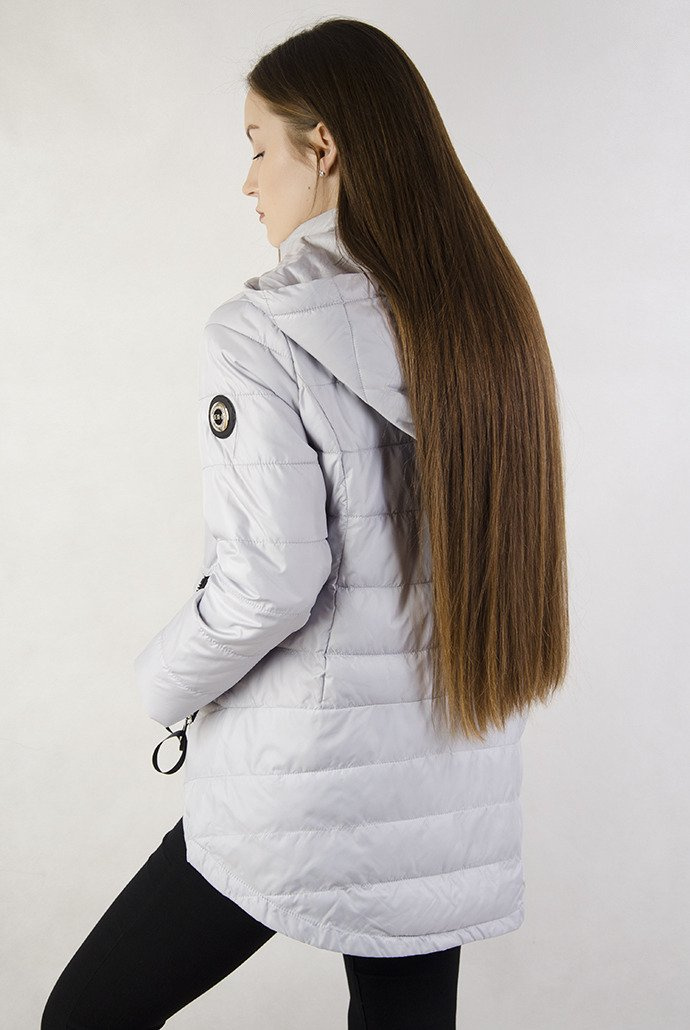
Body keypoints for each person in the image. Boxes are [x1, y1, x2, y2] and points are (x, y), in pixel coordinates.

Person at [41, 16, 569, 1029]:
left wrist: (161, 685)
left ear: (320, 146)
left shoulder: (260, 331)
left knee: (86, 1014)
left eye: (256, 147)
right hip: (445, 791)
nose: (247, 182)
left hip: (303, 783)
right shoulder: (489, 321)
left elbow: (269, 584)